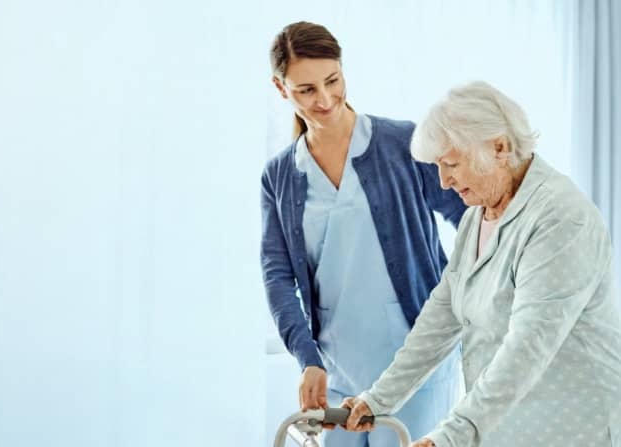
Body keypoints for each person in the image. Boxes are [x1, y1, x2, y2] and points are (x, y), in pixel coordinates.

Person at [340, 80, 621, 447]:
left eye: (452, 164)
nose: (443, 182)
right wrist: (379, 398)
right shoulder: (479, 214)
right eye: (438, 167)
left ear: (499, 147)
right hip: (508, 427)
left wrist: (451, 435)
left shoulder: (561, 218)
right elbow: (443, 314)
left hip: (573, 428)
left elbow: (529, 344)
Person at [260, 21, 466, 446]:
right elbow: (278, 277)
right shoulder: (280, 176)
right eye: (306, 90)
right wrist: (307, 358)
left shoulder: (403, 144)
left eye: (332, 81)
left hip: (417, 365)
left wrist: (470, 304)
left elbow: (473, 222)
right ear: (281, 89)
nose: (325, 99)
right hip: (337, 371)